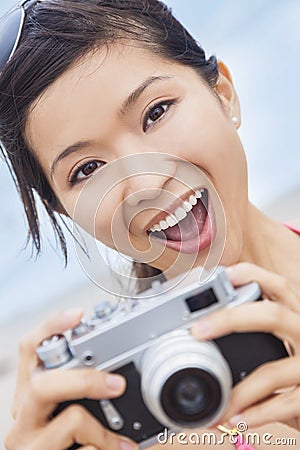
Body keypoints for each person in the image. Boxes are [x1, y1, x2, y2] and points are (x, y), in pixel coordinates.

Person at [1, 1, 300, 449]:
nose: (144, 184)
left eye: (156, 112)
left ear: (223, 94)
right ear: (66, 211)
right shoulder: (126, 427)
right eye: (87, 169)